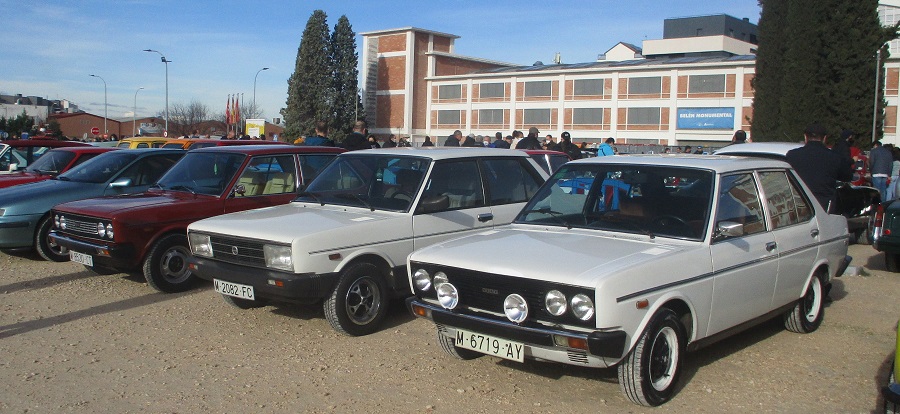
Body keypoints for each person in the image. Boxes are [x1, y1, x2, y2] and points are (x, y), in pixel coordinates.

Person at [785, 124, 853, 211]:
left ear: (805, 137)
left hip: (798, 204)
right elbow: (847, 176)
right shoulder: (834, 157)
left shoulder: (792, 155)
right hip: (825, 205)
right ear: (824, 138)